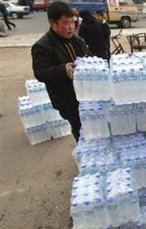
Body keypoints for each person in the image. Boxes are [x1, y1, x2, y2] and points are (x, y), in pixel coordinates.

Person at [31, 1, 90, 142]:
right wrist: (63, 69)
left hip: (86, 94)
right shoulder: (42, 46)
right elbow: (40, 72)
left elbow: (88, 57)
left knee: (92, 126)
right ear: (53, 23)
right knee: (80, 129)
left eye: (72, 22)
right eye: (65, 23)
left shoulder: (78, 41)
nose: (71, 27)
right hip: (66, 98)